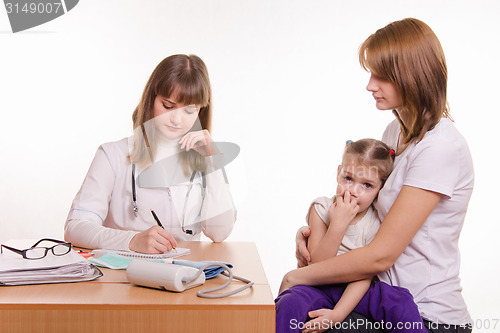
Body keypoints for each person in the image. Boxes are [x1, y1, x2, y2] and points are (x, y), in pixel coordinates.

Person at [284, 18, 474, 333]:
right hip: (377, 298)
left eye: (382, 76)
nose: (371, 85)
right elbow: (366, 209)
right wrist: (319, 231)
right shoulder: (395, 132)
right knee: (292, 313)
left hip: (425, 314)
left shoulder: (440, 147)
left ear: (414, 77)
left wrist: (299, 275)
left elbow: (380, 256)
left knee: (294, 302)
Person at [64, 54, 236, 253]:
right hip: (120, 278)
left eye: (189, 111)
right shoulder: (113, 155)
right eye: (168, 106)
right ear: (151, 99)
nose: (177, 120)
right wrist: (131, 240)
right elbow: (75, 227)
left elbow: (219, 233)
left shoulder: (203, 159)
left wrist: (213, 164)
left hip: (182, 276)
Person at [276, 139, 426, 333]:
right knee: (290, 302)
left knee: (400, 302)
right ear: (338, 172)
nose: (354, 191)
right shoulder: (320, 209)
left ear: (381, 188)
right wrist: (338, 224)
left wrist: (338, 314)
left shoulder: (377, 220)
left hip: (359, 289)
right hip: (317, 285)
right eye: (348, 178)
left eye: (367, 185)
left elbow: (364, 273)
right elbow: (316, 266)